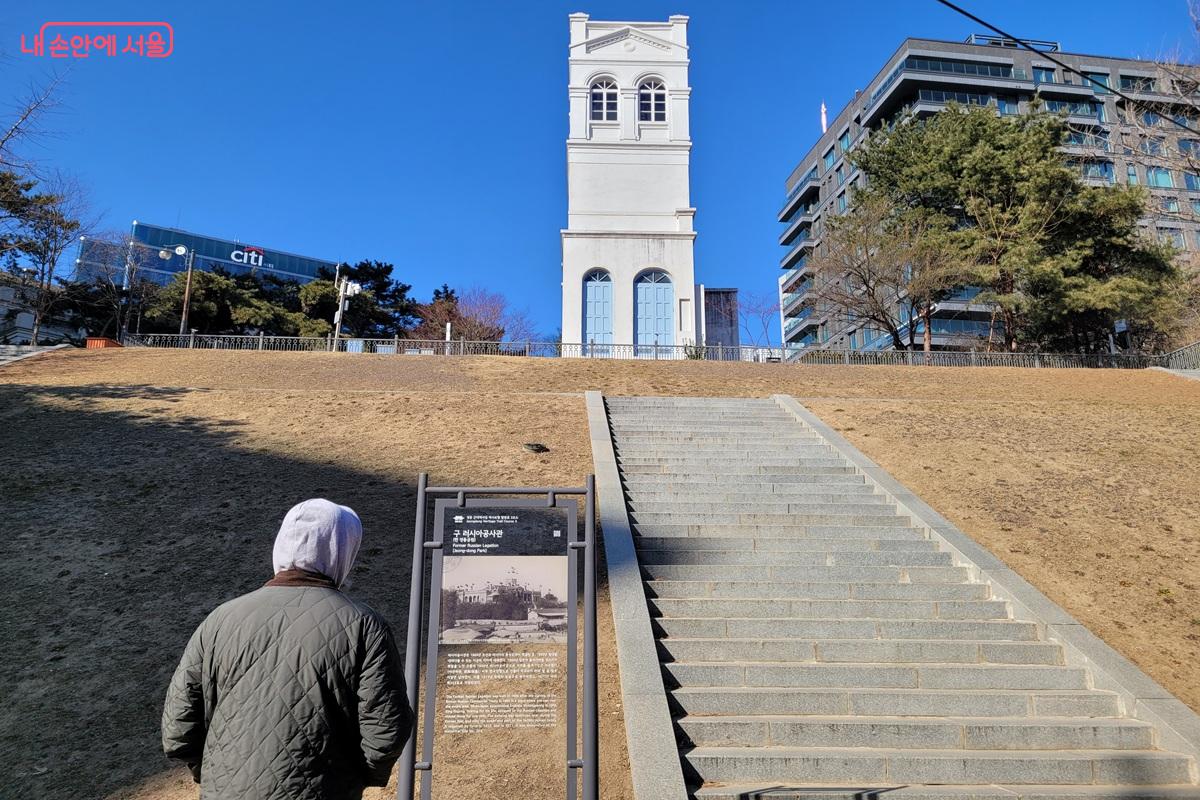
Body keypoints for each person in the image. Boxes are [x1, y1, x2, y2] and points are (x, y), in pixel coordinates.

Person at [162, 498, 411, 799]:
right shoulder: (364, 626)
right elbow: (386, 728)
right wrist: (350, 778)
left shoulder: (219, 619)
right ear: (342, 552)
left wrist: (216, 772)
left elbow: (178, 727)